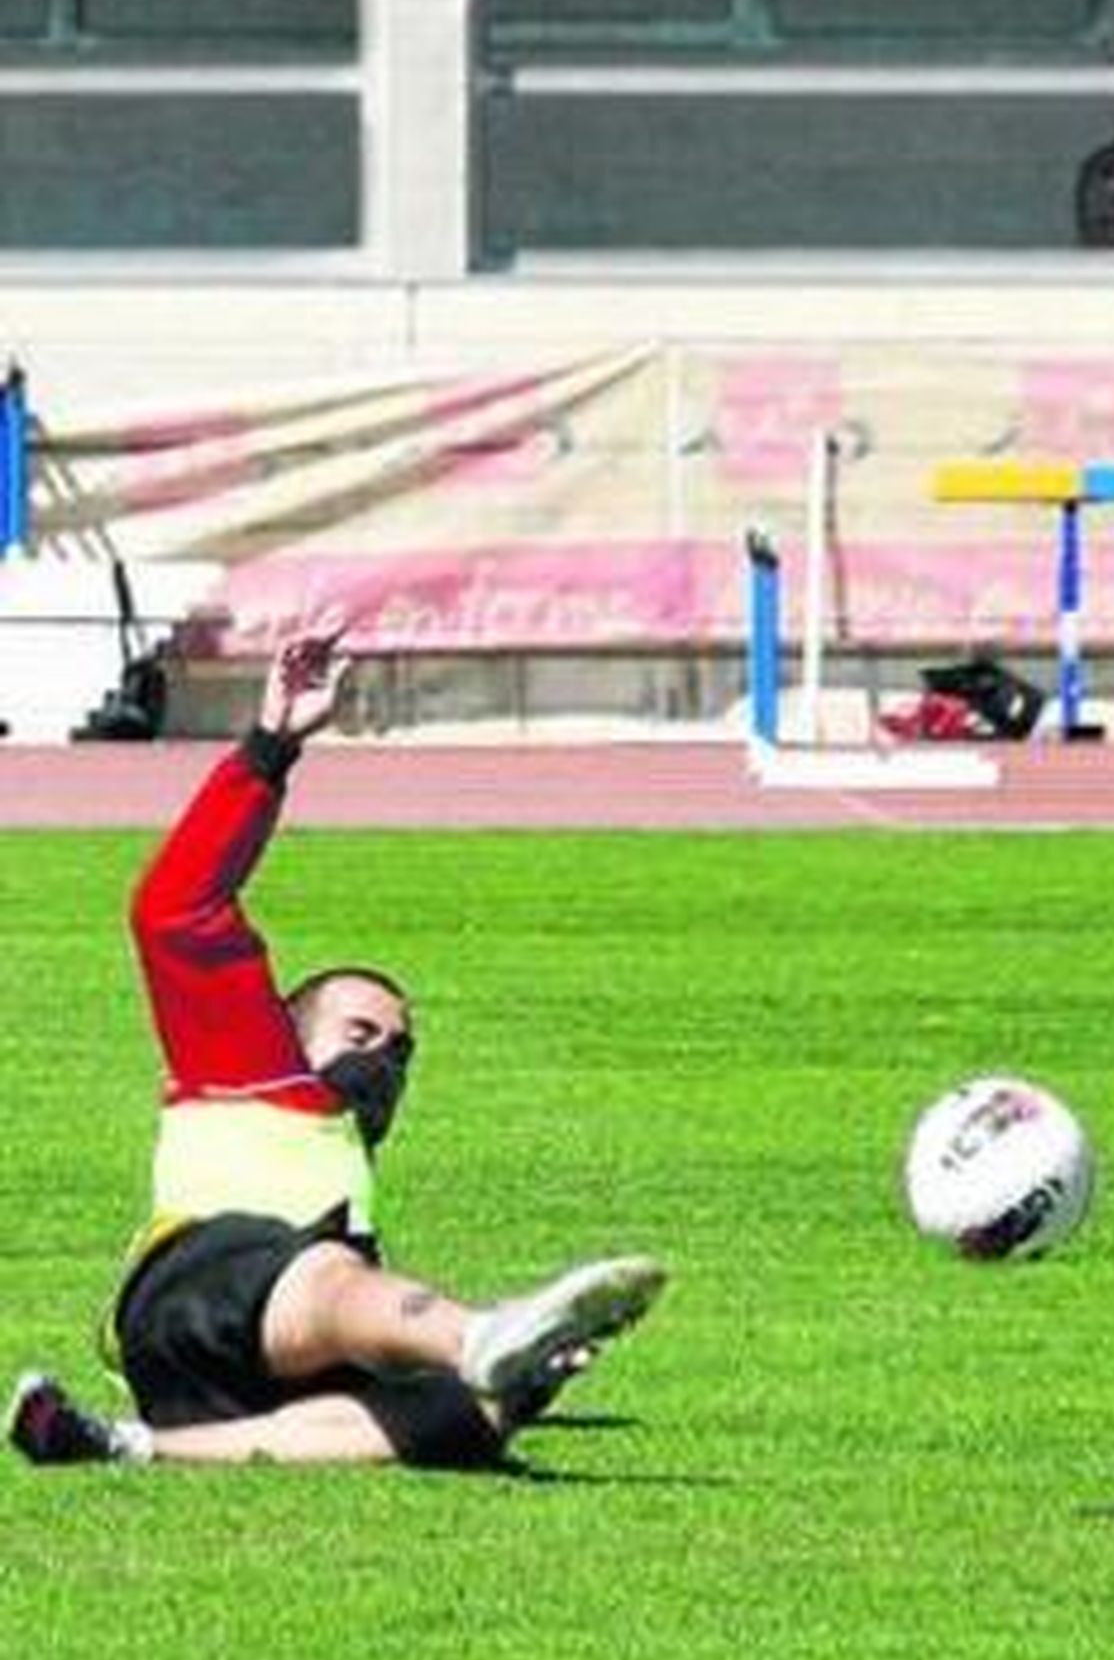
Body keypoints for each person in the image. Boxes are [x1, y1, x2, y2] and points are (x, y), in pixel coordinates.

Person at [8, 625, 666, 1470]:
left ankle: (122, 1446)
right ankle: (480, 1331)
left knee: (467, 1420)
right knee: (335, 1286)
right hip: (195, 1286)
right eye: (360, 1033)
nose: (383, 1059)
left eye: (400, 1050)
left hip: (228, 1373)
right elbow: (174, 908)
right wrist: (271, 745)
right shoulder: (250, 1062)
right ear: (288, 1023)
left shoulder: (344, 1179)